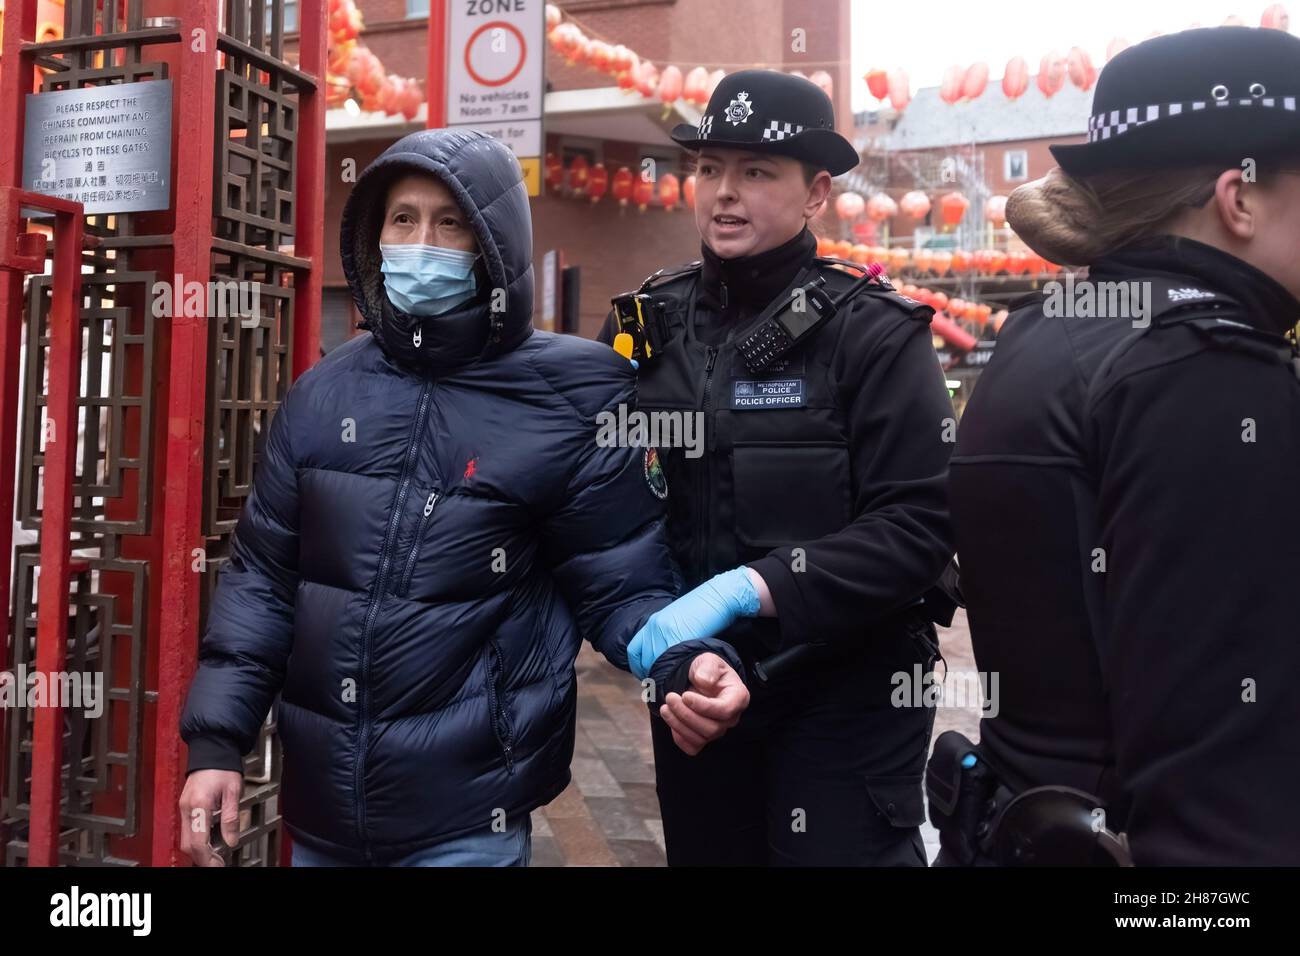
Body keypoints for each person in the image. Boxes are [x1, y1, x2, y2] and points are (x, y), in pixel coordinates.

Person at [177, 129, 748, 867]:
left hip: (468, 813)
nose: (422, 241)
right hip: (317, 805)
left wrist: (686, 662)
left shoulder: (575, 395)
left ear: (492, 244)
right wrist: (217, 741)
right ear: (374, 233)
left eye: (451, 222)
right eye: (403, 219)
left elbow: (621, 585)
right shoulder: (324, 392)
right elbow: (262, 581)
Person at [938, 26, 1300, 866]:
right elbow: (1221, 762)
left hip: (1021, 829)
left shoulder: (1044, 335)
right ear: (1237, 199)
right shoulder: (1211, 370)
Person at [601, 70, 957, 866]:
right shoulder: (644, 327)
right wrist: (670, 648)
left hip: (848, 703)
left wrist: (747, 590)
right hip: (698, 692)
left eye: (755, 172)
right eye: (709, 168)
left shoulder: (876, 333)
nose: (724, 193)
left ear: (817, 192)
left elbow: (920, 528)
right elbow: (605, 516)